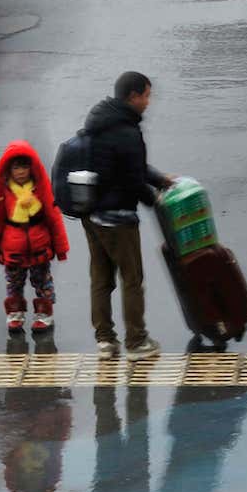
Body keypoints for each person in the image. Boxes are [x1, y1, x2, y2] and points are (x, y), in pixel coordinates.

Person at [80, 71, 172, 361]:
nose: (148, 101)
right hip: (118, 219)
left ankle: (105, 341)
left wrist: (159, 178)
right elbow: (133, 178)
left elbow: (129, 166)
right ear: (133, 96)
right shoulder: (128, 131)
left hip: (92, 213)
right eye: (146, 95)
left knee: (101, 278)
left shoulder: (99, 121)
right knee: (132, 279)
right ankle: (136, 341)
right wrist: (156, 198)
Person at [0, 140, 68, 334]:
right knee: (14, 284)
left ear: (31, 168)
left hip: (40, 246)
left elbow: (54, 218)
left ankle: (44, 314)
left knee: (43, 282)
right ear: (8, 170)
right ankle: (15, 313)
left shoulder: (41, 190)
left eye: (24, 167)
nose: (20, 172)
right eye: (16, 168)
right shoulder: (2, 192)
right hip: (13, 249)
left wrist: (61, 248)